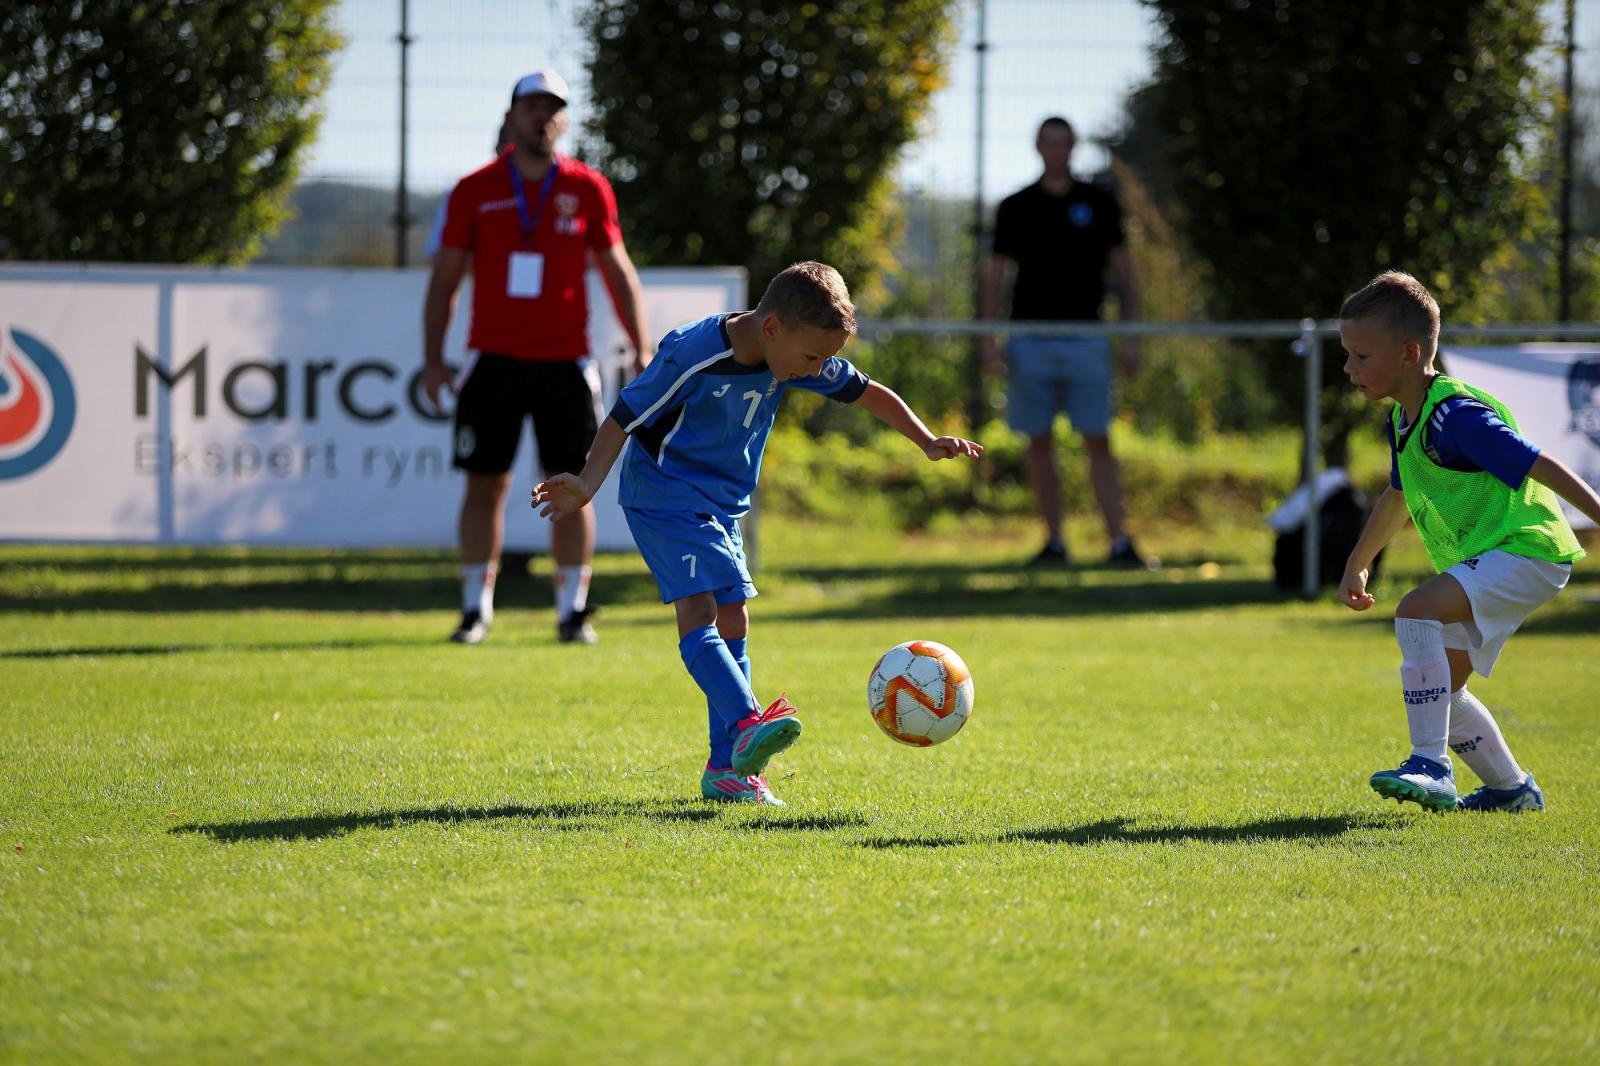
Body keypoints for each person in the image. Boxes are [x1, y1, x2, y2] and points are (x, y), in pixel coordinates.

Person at [532, 262, 982, 805]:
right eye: (813, 357)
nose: (819, 369)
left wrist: (926, 440)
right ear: (773, 329)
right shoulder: (695, 352)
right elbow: (625, 413)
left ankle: (727, 771)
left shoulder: (791, 353)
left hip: (722, 506)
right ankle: (748, 724)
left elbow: (867, 392)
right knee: (698, 612)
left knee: (734, 616)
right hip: (665, 495)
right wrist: (586, 482)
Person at [1337, 270, 1600, 813]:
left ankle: (1430, 765)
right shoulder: (1403, 420)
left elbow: (1537, 462)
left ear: (1409, 353)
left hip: (1528, 550)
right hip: (1500, 556)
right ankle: (1513, 791)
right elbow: (1399, 494)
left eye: (1361, 356)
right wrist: (1359, 561)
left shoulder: (1456, 416)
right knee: (1441, 694)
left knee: (1414, 613)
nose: (1349, 368)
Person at [422, 69, 651, 646]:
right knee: (483, 486)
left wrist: (643, 347)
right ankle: (475, 611)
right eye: (532, 107)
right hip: (493, 361)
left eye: (553, 109)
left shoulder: (589, 187)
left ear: (565, 120)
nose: (542, 118)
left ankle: (571, 612)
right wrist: (433, 357)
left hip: (565, 363)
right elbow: (445, 279)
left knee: (571, 484)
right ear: (510, 116)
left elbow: (618, 271)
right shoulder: (474, 188)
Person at [980, 115, 1148, 568]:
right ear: (1039, 146)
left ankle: (1119, 543)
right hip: (1029, 337)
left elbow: (1125, 276)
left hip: (1087, 337)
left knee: (1098, 439)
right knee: (1039, 442)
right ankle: (1054, 542)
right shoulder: (1016, 206)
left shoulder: (1099, 202)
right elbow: (995, 278)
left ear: (1072, 146)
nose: (1057, 150)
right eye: (1048, 142)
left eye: (1064, 142)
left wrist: (1130, 338)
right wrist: (988, 339)